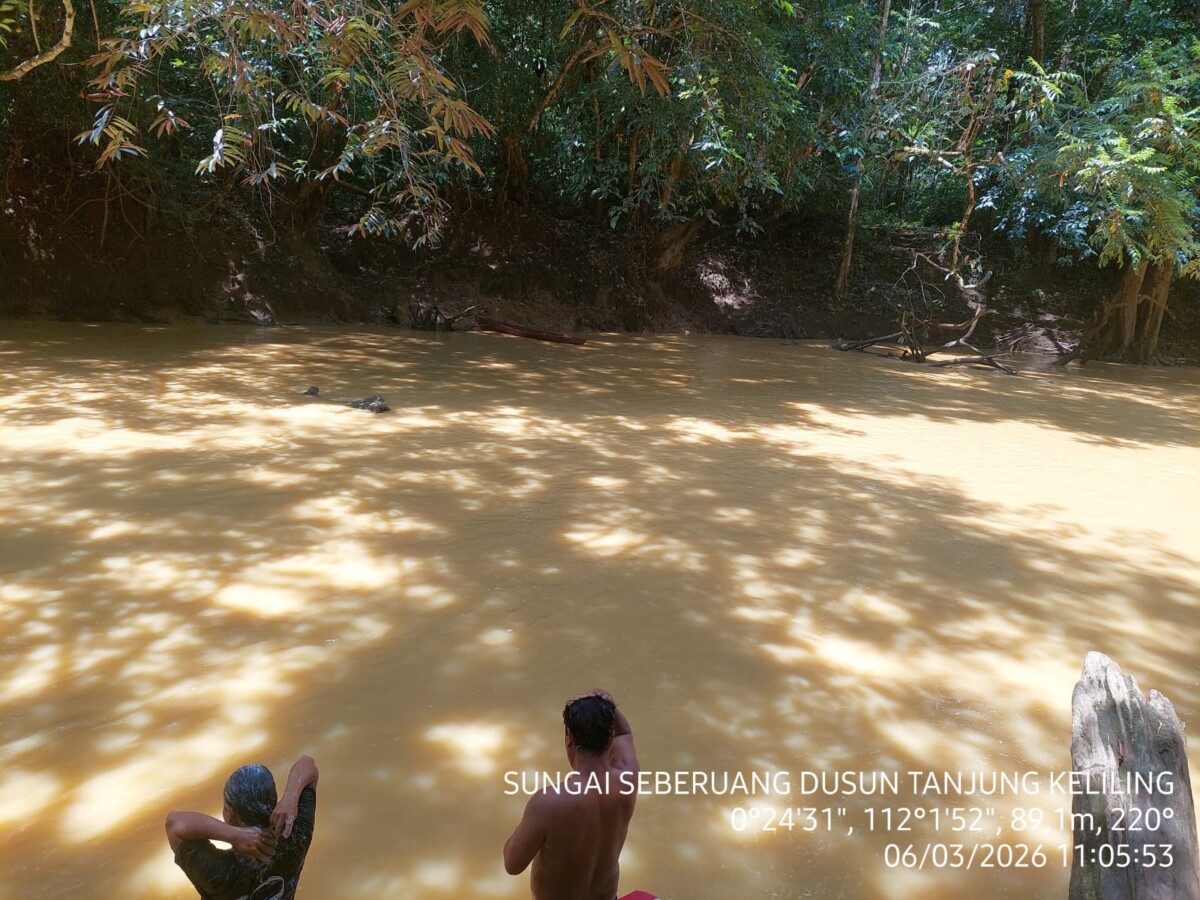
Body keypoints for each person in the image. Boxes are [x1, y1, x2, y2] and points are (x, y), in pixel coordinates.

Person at [504, 689, 639, 900]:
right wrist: (607, 704)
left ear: (569, 737)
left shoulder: (548, 803)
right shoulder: (627, 779)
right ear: (609, 736)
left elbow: (512, 865)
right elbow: (624, 734)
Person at [166, 755, 319, 900]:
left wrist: (233, 835)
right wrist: (290, 797)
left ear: (230, 816)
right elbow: (308, 765)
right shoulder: (297, 841)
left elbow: (174, 824)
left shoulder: (219, 873)